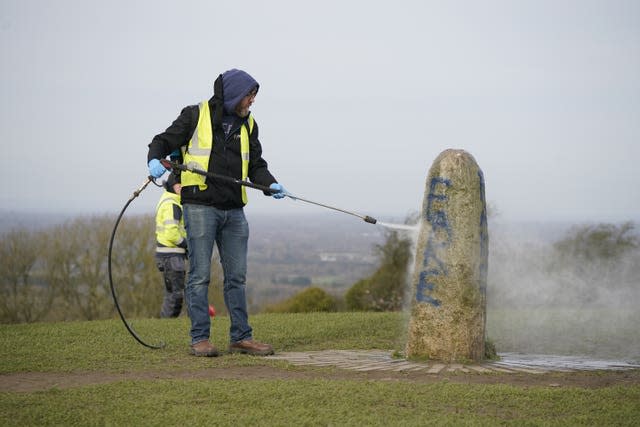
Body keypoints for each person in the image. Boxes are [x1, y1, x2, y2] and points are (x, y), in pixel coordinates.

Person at [147, 69, 286, 357]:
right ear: (235, 94)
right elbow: (162, 141)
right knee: (199, 276)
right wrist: (153, 161)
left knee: (237, 277)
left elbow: (256, 164)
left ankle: (241, 338)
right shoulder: (194, 116)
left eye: (253, 96)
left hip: (234, 211)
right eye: (249, 96)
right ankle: (200, 339)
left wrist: (269, 183)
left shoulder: (249, 125)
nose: (251, 102)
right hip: (200, 208)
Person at [154, 172, 187, 318]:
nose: (181, 187)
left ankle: (165, 322)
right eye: (178, 184)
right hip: (171, 254)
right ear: (172, 186)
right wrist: (187, 244)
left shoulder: (168, 200)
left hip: (166, 254)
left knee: (172, 293)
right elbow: (172, 233)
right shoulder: (172, 204)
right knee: (176, 295)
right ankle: (167, 323)